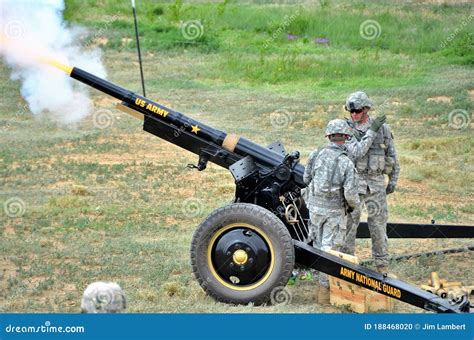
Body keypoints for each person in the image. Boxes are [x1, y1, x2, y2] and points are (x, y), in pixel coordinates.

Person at [341, 91, 400, 274]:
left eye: (357, 111)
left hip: (375, 183)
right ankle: (347, 265)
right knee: (350, 224)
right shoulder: (346, 129)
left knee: (378, 225)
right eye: (350, 111)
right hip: (354, 182)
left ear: (366, 109)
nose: (353, 115)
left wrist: (393, 180)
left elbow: (392, 155)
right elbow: (355, 153)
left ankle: (382, 266)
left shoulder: (383, 129)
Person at [303, 119, 360, 304]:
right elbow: (350, 194)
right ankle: (325, 295)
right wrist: (352, 207)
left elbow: (306, 178)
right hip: (334, 213)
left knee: (318, 246)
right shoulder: (346, 163)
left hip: (314, 210)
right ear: (346, 137)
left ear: (328, 136)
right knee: (330, 251)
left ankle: (321, 290)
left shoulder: (315, 154)